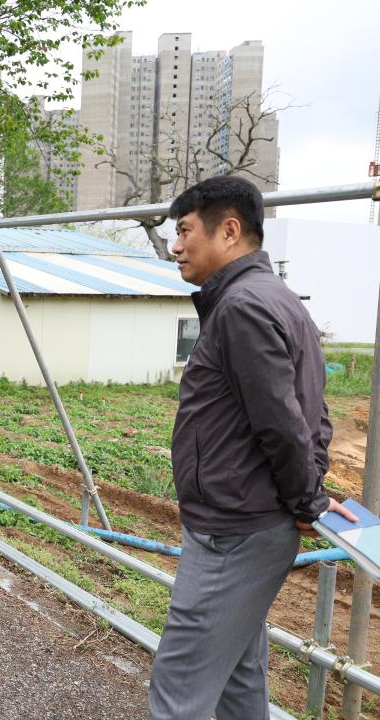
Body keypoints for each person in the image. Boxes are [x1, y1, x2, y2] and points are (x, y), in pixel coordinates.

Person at [147, 176, 358, 719]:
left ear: (230, 231)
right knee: (240, 678)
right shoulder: (281, 301)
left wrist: (308, 498)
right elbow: (315, 409)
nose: (176, 246)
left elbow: (285, 421)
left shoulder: (241, 306)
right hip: (254, 519)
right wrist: (305, 492)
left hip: (232, 530)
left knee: (179, 688)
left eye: (186, 231)